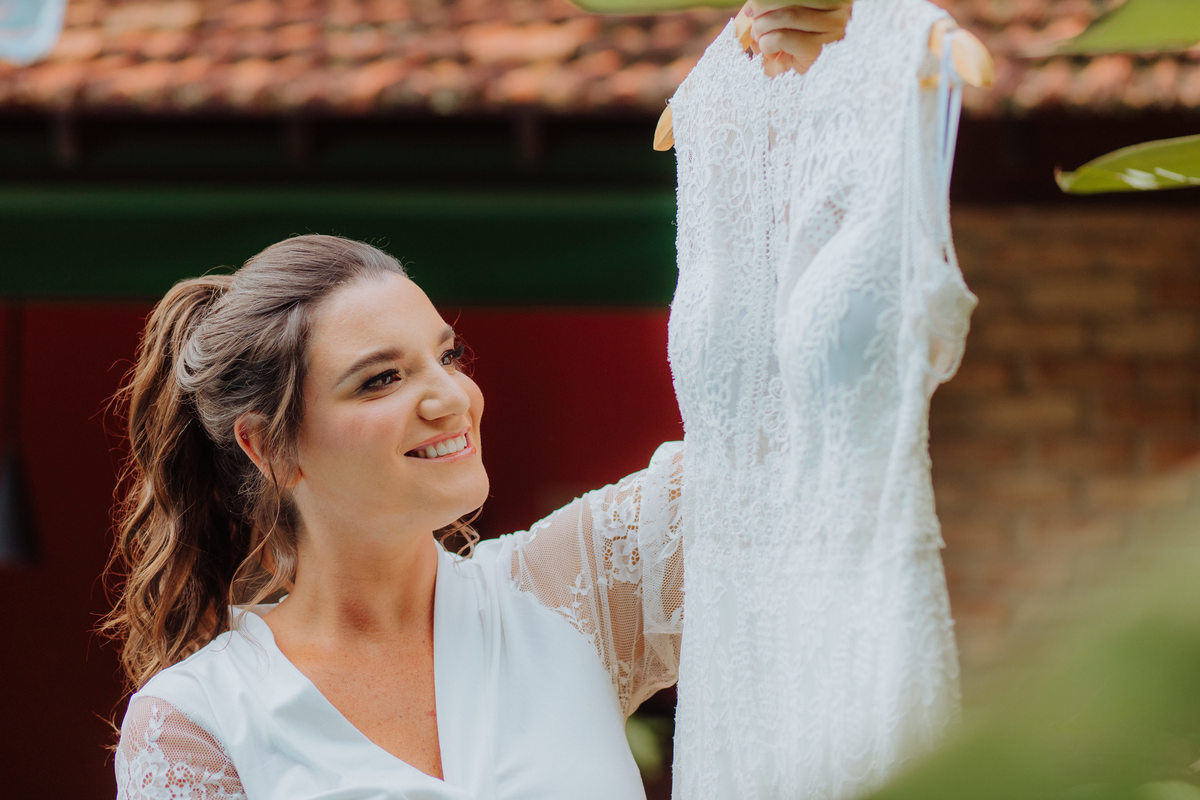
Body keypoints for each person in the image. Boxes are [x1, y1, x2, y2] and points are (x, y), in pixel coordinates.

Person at [103, 5, 854, 799]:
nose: (450, 398)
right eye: (381, 379)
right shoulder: (201, 723)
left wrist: (823, 57)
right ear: (269, 447)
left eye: (447, 356)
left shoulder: (577, 592)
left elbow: (796, 436)